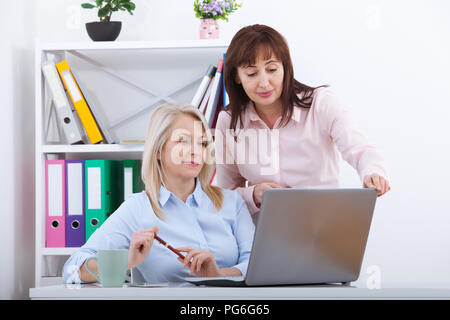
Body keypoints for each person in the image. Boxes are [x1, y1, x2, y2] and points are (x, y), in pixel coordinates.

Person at [215, 24, 391, 223]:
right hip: (264, 232)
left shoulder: (320, 103)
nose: (264, 83)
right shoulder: (229, 121)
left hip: (324, 226)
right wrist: (252, 195)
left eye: (272, 69)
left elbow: (359, 147)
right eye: (252, 73)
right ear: (237, 76)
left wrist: (373, 172)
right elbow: (224, 196)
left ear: (285, 67)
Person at [62, 103, 255, 284]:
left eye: (202, 143)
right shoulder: (138, 209)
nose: (196, 151)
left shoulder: (232, 202)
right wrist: (125, 262)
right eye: (183, 141)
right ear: (158, 151)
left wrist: (217, 275)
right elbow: (72, 268)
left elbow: (256, 265)